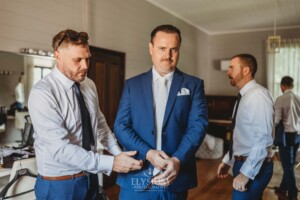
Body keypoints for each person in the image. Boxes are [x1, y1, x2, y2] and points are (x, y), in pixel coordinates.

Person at [28, 29, 143, 200]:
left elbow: (101, 125)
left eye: (87, 58)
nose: (85, 66)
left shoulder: (88, 85)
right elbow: (60, 149)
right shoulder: (43, 93)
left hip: (90, 178)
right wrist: (111, 163)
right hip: (60, 185)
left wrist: (117, 153)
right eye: (78, 60)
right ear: (58, 56)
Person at [114, 24, 208, 200]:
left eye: (173, 49)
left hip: (174, 177)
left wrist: (178, 159)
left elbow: (198, 126)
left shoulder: (193, 85)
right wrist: (148, 153)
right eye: (162, 48)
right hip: (137, 175)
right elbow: (120, 126)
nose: (168, 55)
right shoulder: (132, 85)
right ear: (151, 48)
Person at [217, 54, 274, 200]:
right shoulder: (244, 96)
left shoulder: (258, 96)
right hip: (241, 162)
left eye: (232, 67)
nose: (228, 72)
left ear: (246, 70)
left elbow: (263, 139)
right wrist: (228, 160)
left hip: (254, 167)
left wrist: (246, 173)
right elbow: (240, 135)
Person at [274, 76, 300, 200]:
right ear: (292, 86)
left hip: (286, 136)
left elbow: (276, 120)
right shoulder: (298, 98)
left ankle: (293, 193)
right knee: (289, 164)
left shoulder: (280, 99)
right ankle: (283, 188)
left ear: (282, 86)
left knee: (287, 165)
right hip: (298, 135)